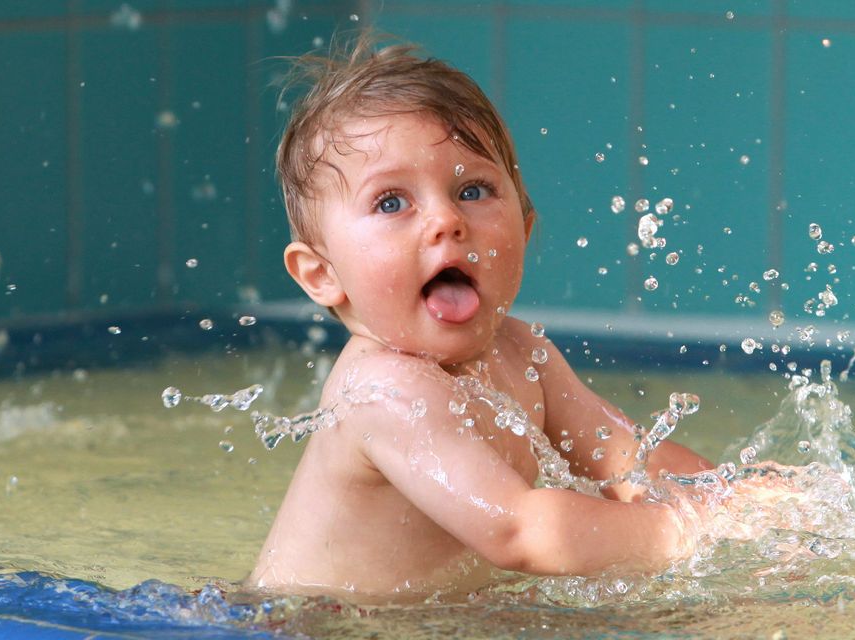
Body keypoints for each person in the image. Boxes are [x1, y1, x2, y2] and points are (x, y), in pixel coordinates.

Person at [247, 34, 802, 604]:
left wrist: (727, 499)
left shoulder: (519, 352)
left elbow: (623, 457)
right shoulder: (385, 392)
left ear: (525, 230)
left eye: (473, 189)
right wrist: (684, 528)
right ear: (322, 275)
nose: (446, 220)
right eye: (391, 202)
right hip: (306, 624)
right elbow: (519, 532)